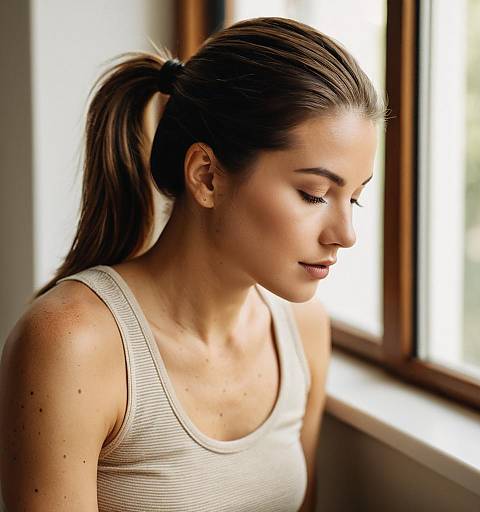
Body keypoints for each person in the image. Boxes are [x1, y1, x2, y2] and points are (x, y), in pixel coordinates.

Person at [0, 16, 386, 512]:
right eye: (314, 195)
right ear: (206, 176)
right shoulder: (71, 343)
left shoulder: (303, 329)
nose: (346, 235)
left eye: (353, 199)